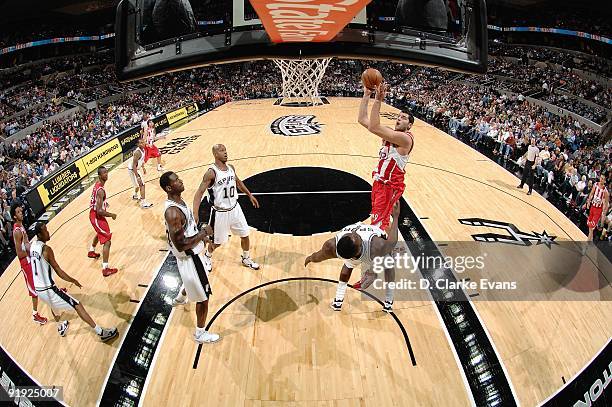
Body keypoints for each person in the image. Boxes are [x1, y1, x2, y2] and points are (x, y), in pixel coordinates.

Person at [30, 222, 118, 340]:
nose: (48, 232)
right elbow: (58, 270)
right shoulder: (46, 249)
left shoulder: (32, 246)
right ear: (40, 235)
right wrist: (73, 280)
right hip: (48, 290)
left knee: (53, 306)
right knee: (77, 305)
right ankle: (101, 333)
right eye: (45, 230)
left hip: (39, 290)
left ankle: (61, 326)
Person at [305, 202, 401, 311]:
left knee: (347, 266)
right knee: (389, 267)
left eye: (350, 235)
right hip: (373, 254)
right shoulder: (376, 245)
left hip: (354, 257)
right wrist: (396, 217)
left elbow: (318, 256)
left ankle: (338, 301)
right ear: (359, 247)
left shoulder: (331, 246)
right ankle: (388, 300)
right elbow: (391, 242)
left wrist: (310, 258)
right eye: (355, 237)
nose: (354, 233)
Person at [160, 171, 220, 344]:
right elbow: (181, 244)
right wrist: (203, 233)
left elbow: (188, 229)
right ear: (169, 187)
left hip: (190, 256)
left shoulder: (178, 201)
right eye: (177, 180)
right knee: (204, 297)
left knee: (197, 284)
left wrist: (202, 236)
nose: (181, 181)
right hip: (189, 258)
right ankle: (200, 334)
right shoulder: (172, 212)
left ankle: (180, 297)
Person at [193, 144, 260, 270]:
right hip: (220, 213)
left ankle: (246, 258)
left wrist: (249, 195)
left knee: (245, 235)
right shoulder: (211, 173)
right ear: (215, 154)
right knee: (216, 243)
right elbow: (199, 193)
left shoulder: (231, 168)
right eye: (221, 150)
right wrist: (195, 214)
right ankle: (207, 256)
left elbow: (238, 183)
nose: (225, 152)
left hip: (235, 208)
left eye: (225, 150)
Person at [358, 83, 414, 234]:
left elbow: (374, 127)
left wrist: (378, 100)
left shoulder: (405, 139)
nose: (399, 119)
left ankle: (380, 252)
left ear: (409, 125)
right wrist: (366, 95)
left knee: (377, 225)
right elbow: (363, 119)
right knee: (381, 221)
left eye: (404, 118)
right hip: (379, 182)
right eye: (398, 116)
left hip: (389, 186)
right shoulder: (389, 135)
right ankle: (390, 247)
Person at [11, 202, 47, 324]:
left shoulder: (21, 226)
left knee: (43, 272)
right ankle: (35, 314)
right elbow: (19, 254)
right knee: (34, 290)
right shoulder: (17, 231)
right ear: (14, 216)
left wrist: (32, 246)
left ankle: (53, 291)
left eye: (21, 211)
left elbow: (26, 244)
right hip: (25, 263)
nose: (21, 213)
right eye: (18, 212)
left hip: (30, 258)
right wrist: (31, 250)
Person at [88, 166, 118, 277]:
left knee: (100, 232)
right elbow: (99, 210)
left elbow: (97, 201)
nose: (106, 174)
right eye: (104, 173)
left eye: (107, 172)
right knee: (107, 241)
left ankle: (91, 251)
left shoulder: (98, 184)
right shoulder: (100, 190)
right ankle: (105, 269)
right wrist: (111, 215)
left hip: (94, 214)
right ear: (99, 176)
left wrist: (104, 203)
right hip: (96, 216)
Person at [128, 138, 153, 208]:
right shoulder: (137, 152)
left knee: (137, 186)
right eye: (141, 143)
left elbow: (141, 160)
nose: (143, 143)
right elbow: (133, 165)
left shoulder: (143, 150)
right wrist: (137, 176)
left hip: (135, 168)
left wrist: (143, 167)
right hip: (133, 169)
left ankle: (135, 195)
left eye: (143, 142)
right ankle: (143, 203)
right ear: (138, 144)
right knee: (142, 185)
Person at [583, 174, 609, 242]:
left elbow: (606, 203)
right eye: (601, 178)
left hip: (598, 210)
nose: (601, 179)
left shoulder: (605, 191)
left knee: (591, 227)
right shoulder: (595, 185)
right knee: (589, 226)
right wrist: (588, 202)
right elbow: (591, 194)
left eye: (603, 179)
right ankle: (590, 241)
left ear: (605, 181)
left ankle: (587, 245)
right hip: (592, 207)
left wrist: (603, 213)